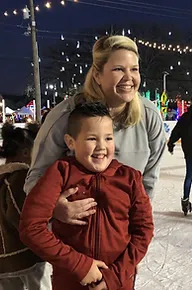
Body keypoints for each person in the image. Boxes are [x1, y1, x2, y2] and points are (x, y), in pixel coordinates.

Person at [24, 35, 166, 225]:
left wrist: (136, 224)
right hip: (74, 238)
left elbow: (149, 180)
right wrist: (56, 207)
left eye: (134, 69)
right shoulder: (66, 116)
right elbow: (35, 178)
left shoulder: (149, 116)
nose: (129, 78)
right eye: (118, 69)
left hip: (119, 233)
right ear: (97, 75)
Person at [20, 102, 154, 290]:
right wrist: (79, 266)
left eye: (108, 138)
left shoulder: (129, 178)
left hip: (117, 283)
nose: (101, 147)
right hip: (70, 282)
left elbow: (143, 230)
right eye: (92, 138)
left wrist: (116, 274)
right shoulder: (60, 173)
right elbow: (31, 228)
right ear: (70, 142)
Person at [0, 123, 52, 290]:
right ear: (26, 152)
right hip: (25, 256)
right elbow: (21, 216)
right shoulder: (19, 178)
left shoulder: (3, 178)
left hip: (4, 261)